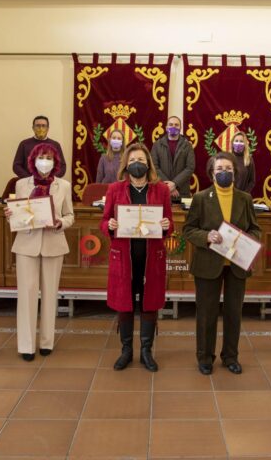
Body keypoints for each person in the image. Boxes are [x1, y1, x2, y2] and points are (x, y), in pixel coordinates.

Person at [183, 152, 262, 375]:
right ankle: (205, 357)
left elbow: (255, 228)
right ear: (212, 173)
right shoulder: (200, 198)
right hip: (208, 263)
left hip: (237, 264)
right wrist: (206, 236)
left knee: (234, 313)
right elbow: (188, 229)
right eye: (219, 169)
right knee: (206, 313)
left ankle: (230, 357)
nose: (224, 172)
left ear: (235, 173)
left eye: (228, 168)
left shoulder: (245, 198)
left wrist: (250, 239)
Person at [100, 142, 173, 372]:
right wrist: (109, 225)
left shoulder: (160, 189)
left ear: (148, 163)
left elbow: (169, 223)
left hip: (151, 256)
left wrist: (166, 225)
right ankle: (126, 350)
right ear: (125, 165)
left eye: (141, 160)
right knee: (125, 302)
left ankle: (146, 351)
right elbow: (104, 221)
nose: (137, 164)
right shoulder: (114, 189)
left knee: (149, 302)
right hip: (124, 256)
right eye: (132, 161)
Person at [7, 143, 75, 361]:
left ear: (55, 162)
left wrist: (59, 222)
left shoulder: (63, 186)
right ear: (33, 160)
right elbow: (17, 211)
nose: (44, 161)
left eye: (49, 158)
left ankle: (47, 341)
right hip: (27, 243)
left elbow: (70, 216)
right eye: (40, 157)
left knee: (49, 294)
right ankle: (26, 345)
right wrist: (11, 214)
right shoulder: (20, 184)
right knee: (26, 295)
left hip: (53, 243)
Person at [151, 115, 195, 201]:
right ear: (166, 127)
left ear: (180, 127)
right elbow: (154, 167)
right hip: (161, 191)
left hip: (181, 192)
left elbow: (190, 167)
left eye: (176, 125)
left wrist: (175, 183)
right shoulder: (157, 145)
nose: (173, 127)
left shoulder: (187, 145)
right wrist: (168, 185)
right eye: (170, 124)